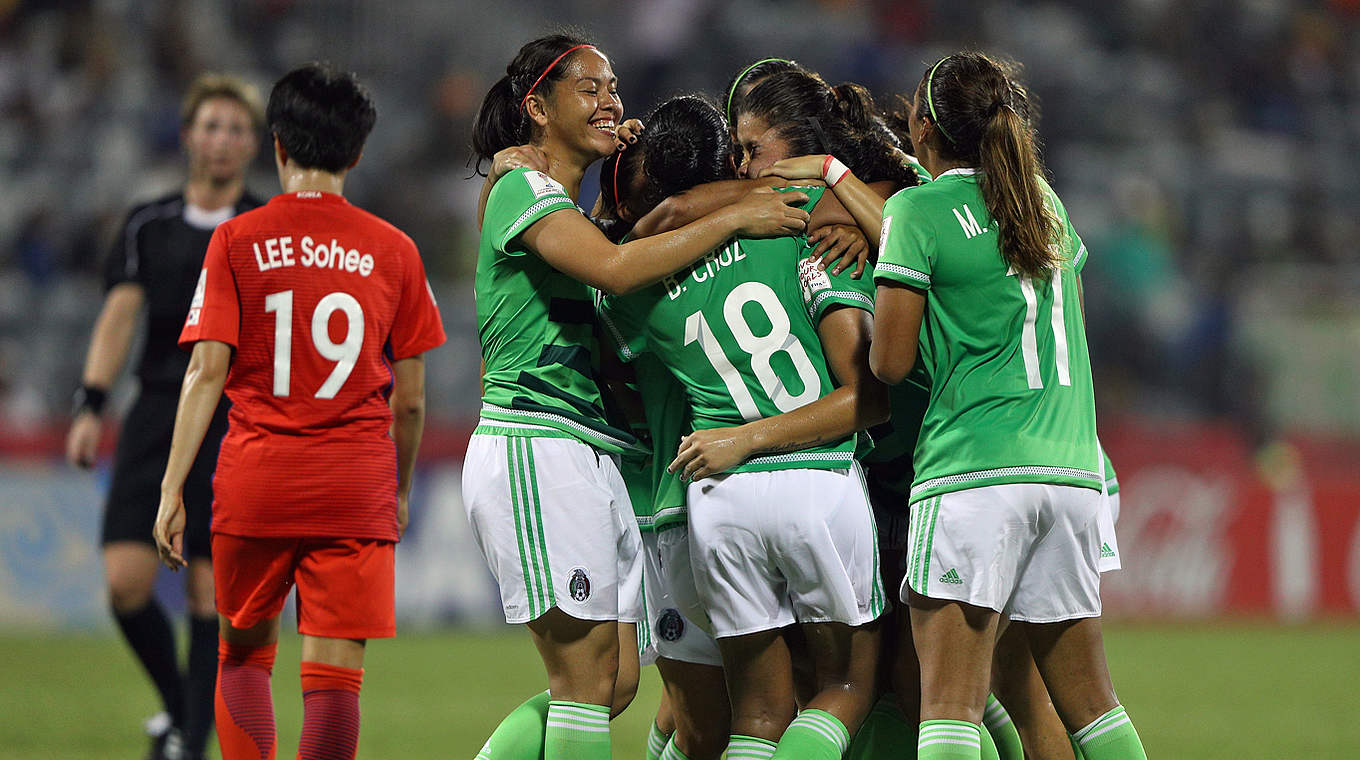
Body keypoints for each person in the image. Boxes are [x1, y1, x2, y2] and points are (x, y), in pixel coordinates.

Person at [465, 34, 809, 760]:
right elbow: (618, 269)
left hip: (586, 453)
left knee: (616, 684)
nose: (611, 100)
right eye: (589, 89)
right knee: (587, 688)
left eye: (614, 88)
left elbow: (627, 241)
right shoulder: (521, 192)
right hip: (536, 439)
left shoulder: (556, 207)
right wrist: (734, 218)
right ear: (536, 108)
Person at [152, 63, 446, 760]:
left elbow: (205, 371)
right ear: (357, 152)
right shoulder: (394, 251)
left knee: (243, 660)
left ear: (276, 145)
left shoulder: (236, 240)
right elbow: (410, 398)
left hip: (257, 480)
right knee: (335, 682)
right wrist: (399, 488)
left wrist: (171, 488)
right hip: (353, 485)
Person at [867, 52, 1146, 759]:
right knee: (1094, 708)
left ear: (921, 128)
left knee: (952, 708)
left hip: (975, 475)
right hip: (1074, 476)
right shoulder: (1041, 202)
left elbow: (890, 364)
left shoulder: (915, 210)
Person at [598, 94, 889, 760]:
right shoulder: (799, 222)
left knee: (755, 717)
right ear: (729, 160)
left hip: (714, 498)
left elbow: (615, 291)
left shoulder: (634, 284)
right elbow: (868, 394)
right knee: (845, 685)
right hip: (814, 478)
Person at [66, 72, 263, 760]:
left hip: (232, 418)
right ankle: (181, 710)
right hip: (156, 410)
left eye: (237, 128)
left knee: (211, 593)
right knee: (126, 583)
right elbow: (119, 317)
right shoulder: (148, 222)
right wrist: (91, 401)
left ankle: (186, 742)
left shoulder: (261, 226)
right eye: (211, 125)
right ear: (188, 137)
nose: (222, 139)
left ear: (253, 143)